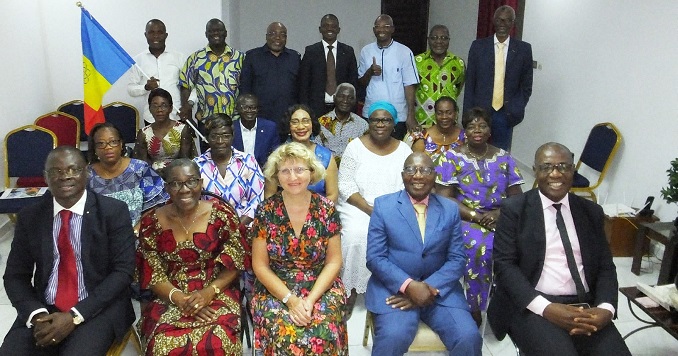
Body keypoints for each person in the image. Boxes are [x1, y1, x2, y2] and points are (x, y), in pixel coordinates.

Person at [487, 142, 632, 355]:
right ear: (535, 171)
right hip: (534, 305)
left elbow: (605, 267)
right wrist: (546, 308)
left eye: (563, 166)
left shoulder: (591, 212)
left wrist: (606, 309)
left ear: (573, 170)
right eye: (547, 167)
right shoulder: (515, 210)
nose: (556, 174)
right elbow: (505, 266)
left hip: (586, 306)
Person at [1, 146, 136, 355]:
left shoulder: (113, 211)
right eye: (57, 171)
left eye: (74, 169)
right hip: (44, 308)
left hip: (96, 307)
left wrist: (75, 315)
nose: (65, 176)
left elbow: (123, 272)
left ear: (87, 173)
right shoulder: (31, 216)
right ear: (45, 177)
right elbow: (15, 276)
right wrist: (37, 315)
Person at [366, 152, 482, 355]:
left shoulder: (449, 209)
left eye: (425, 170)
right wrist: (409, 286)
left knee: (468, 337)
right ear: (403, 175)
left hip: (440, 291)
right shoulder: (384, 206)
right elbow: (375, 257)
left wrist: (427, 288)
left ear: (434, 175)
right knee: (393, 338)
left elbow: (457, 259)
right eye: (411, 169)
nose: (418, 175)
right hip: (395, 290)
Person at [137, 159, 250, 355]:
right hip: (169, 295)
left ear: (201, 183)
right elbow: (151, 273)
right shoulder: (150, 222)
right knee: (162, 346)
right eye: (176, 183)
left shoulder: (222, 215)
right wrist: (180, 299)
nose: (184, 189)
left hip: (217, 291)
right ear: (167, 188)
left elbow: (236, 261)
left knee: (219, 341)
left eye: (191, 181)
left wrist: (208, 293)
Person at [251, 142, 347, 355]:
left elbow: (333, 261)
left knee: (323, 331)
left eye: (299, 169)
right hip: (277, 287)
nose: (293, 177)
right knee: (283, 333)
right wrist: (291, 300)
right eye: (285, 171)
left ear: (312, 173)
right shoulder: (265, 210)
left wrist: (310, 300)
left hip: (320, 284)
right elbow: (259, 265)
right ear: (276, 176)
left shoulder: (326, 209)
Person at [435, 107, 524, 326]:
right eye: (472, 126)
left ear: (489, 130)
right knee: (480, 248)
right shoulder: (451, 157)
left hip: (501, 216)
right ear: (464, 130)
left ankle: (506, 303)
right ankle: (475, 307)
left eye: (482, 125)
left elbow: (517, 198)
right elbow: (446, 200)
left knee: (521, 245)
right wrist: (477, 216)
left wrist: (500, 213)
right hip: (465, 218)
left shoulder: (504, 157)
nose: (477, 130)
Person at [337, 101, 412, 316]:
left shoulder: (404, 150)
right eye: (375, 120)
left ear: (394, 123)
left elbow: (408, 185)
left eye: (386, 120)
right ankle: (349, 290)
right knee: (355, 235)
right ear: (368, 122)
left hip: (394, 207)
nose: (380, 124)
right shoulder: (354, 147)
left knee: (399, 236)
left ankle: (388, 288)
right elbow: (346, 185)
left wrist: (388, 211)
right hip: (358, 206)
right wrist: (371, 210)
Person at [463, 5, 533, 151]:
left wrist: (517, 107)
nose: (503, 24)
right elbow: (470, 84)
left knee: (500, 156)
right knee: (477, 152)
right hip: (480, 112)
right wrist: (467, 115)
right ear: (494, 21)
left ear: (513, 23)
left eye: (508, 20)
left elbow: (526, 86)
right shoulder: (478, 47)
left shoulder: (523, 50)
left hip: (505, 114)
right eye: (500, 20)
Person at [179, 19, 244, 150]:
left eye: (219, 30)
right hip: (206, 121)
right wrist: (188, 115)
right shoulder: (195, 59)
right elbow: (185, 85)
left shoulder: (240, 57)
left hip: (234, 120)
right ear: (206, 34)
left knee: (234, 158)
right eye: (211, 31)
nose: (215, 33)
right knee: (208, 160)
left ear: (225, 33)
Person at [88, 122, 169, 228]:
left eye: (113, 142)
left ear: (121, 144)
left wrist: (138, 229)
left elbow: (158, 204)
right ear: (94, 149)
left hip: (139, 233)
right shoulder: (87, 176)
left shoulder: (139, 169)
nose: (108, 147)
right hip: (101, 237)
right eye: (101, 143)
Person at [194, 113, 265, 227]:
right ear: (207, 138)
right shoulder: (197, 166)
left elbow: (256, 200)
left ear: (232, 136)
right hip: (207, 230)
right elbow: (193, 203)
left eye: (226, 135)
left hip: (244, 228)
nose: (220, 141)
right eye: (214, 136)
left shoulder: (247, 162)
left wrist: (235, 228)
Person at [358, 14, 419, 139]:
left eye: (386, 26)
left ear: (392, 29)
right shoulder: (366, 51)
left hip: (398, 115)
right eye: (378, 27)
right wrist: (370, 71)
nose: (382, 30)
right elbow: (361, 83)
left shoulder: (404, 52)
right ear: (374, 30)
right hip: (371, 113)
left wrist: (411, 115)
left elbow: (410, 85)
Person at [265, 104, 338, 203]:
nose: (301, 126)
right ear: (288, 126)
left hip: (319, 214)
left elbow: (332, 195)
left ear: (312, 125)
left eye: (305, 121)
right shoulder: (278, 155)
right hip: (283, 213)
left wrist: (317, 215)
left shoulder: (326, 156)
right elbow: (270, 194)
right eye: (295, 122)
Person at [127, 19, 188, 126]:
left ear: (166, 35)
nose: (156, 36)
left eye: (160, 32)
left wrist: (188, 106)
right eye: (151, 32)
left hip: (176, 115)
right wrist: (145, 87)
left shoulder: (179, 58)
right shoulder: (137, 61)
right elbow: (131, 89)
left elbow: (190, 85)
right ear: (146, 35)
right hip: (151, 118)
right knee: (153, 144)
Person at [241, 22, 301, 128]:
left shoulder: (295, 58)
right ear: (266, 36)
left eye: (282, 34)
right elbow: (245, 89)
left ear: (286, 38)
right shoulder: (253, 57)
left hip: (288, 120)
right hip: (260, 119)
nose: (277, 38)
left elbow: (301, 89)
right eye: (273, 33)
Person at [299, 14, 358, 119]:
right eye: (326, 26)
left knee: (340, 135)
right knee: (319, 135)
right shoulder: (311, 51)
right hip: (316, 108)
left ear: (338, 30)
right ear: (320, 29)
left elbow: (353, 82)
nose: (329, 29)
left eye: (333, 26)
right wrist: (305, 109)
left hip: (341, 108)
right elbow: (304, 84)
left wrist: (352, 109)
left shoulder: (348, 51)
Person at [133, 88, 197, 176]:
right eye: (155, 106)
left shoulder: (182, 129)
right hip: (152, 177)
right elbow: (142, 164)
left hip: (178, 175)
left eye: (164, 105)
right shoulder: (144, 133)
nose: (159, 110)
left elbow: (185, 160)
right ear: (150, 109)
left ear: (170, 108)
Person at [414, 25, 465, 128]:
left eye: (443, 38)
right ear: (428, 40)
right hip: (423, 120)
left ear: (449, 40)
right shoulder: (417, 62)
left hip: (449, 122)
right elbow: (410, 91)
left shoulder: (458, 63)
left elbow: (458, 88)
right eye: (434, 38)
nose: (439, 42)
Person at [313, 83, 368, 164]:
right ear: (334, 98)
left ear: (355, 101)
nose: (345, 101)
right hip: (327, 170)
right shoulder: (322, 122)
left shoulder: (362, 125)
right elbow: (316, 151)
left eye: (350, 98)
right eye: (341, 96)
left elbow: (365, 154)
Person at [232, 93, 280, 168]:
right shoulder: (231, 128)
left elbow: (276, 153)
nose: (249, 111)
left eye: (253, 107)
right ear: (237, 109)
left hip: (264, 172)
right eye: (245, 107)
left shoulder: (270, 128)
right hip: (236, 172)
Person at [411, 96, 465, 162]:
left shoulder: (464, 137)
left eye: (449, 113)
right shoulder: (422, 137)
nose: (444, 117)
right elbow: (415, 164)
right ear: (435, 114)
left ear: (455, 114)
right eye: (439, 113)